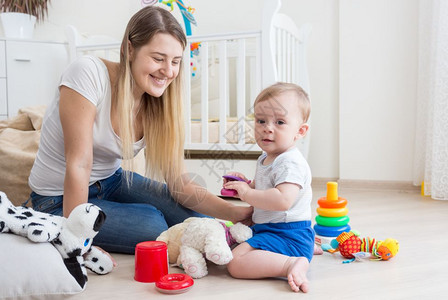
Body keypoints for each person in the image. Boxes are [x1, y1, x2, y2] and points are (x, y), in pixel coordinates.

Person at [27, 6, 252, 258]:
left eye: (175, 62)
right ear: (129, 49)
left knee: (197, 218)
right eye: (158, 59)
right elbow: (79, 164)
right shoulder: (88, 73)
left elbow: (181, 185)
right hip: (57, 199)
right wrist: (78, 238)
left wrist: (236, 212)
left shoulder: (159, 103)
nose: (168, 72)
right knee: (153, 223)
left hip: (111, 181)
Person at [223, 82, 314, 293]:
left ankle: (290, 263)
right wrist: (246, 185)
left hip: (286, 234)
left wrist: (248, 194)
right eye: (261, 120)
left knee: (235, 262)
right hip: (271, 229)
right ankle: (300, 253)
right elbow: (264, 189)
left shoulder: (289, 162)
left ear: (300, 131)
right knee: (231, 245)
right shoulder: (267, 157)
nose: (267, 128)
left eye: (280, 122)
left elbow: (283, 200)